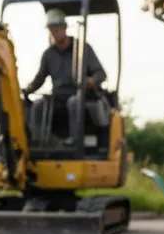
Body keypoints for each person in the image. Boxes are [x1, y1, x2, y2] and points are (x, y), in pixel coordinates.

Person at [22, 8, 108, 143]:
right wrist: (28, 89)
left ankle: (75, 143)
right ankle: (39, 142)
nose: (54, 33)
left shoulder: (82, 49)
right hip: (58, 97)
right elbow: (39, 79)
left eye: (57, 29)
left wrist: (91, 81)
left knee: (73, 103)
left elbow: (101, 74)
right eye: (51, 30)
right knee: (38, 106)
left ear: (65, 28)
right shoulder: (49, 55)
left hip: (80, 95)